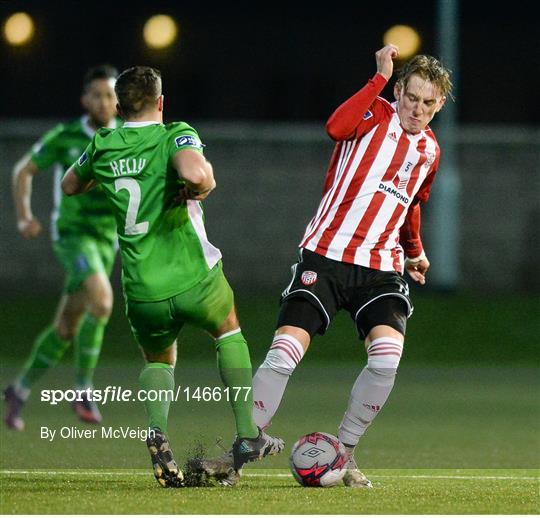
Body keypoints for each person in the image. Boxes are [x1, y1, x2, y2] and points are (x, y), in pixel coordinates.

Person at [199, 44, 453, 486]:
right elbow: (336, 127)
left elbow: (412, 204)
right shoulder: (374, 112)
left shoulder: (430, 150)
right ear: (399, 91)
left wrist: (414, 250)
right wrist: (376, 78)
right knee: (284, 351)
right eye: (411, 97)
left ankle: (346, 454)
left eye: (428, 103)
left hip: (380, 268)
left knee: (387, 359)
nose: (418, 109)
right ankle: (240, 450)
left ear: (440, 105)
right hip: (326, 255)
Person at [61, 66, 284, 488]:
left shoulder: (103, 144)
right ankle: (247, 435)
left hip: (142, 289)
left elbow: (72, 184)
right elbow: (197, 173)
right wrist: (201, 184)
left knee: (159, 360)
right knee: (228, 331)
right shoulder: (174, 133)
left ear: (119, 107)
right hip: (193, 277)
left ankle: (157, 431)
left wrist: (110, 177)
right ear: (160, 103)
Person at [4, 65, 120, 431]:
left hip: (107, 240)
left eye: (111, 94)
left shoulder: (129, 138)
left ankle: (18, 391)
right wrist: (24, 216)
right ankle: (83, 390)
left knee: (67, 327)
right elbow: (23, 170)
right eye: (98, 94)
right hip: (72, 236)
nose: (105, 102)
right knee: (102, 302)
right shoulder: (67, 136)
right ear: (85, 100)